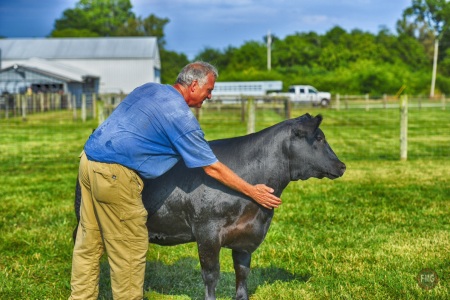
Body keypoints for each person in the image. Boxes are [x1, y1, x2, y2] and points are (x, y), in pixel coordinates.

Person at [69, 61, 282, 300]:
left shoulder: (150, 89)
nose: (209, 97)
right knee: (129, 248)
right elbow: (212, 168)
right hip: (116, 175)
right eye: (209, 90)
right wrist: (253, 191)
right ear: (193, 86)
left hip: (88, 161)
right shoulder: (180, 117)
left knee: (89, 243)